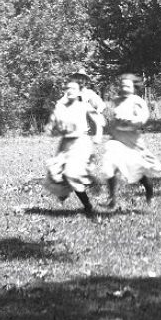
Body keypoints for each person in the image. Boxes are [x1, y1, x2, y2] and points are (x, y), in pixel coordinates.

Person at [99, 73, 161, 208]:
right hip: (116, 141)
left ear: (133, 87)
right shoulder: (115, 101)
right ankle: (112, 198)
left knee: (136, 170)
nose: (125, 87)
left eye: (128, 85)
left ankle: (149, 195)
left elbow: (143, 119)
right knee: (109, 166)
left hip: (132, 143)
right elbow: (109, 119)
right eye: (123, 85)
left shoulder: (137, 101)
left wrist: (129, 121)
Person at [44, 76, 105, 218]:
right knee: (57, 175)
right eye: (68, 88)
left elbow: (98, 120)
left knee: (72, 174)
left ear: (78, 92)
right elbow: (52, 125)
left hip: (81, 143)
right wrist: (51, 128)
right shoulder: (60, 107)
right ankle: (79, 193)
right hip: (65, 144)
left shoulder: (83, 106)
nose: (70, 91)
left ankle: (88, 204)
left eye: (74, 88)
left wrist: (98, 136)